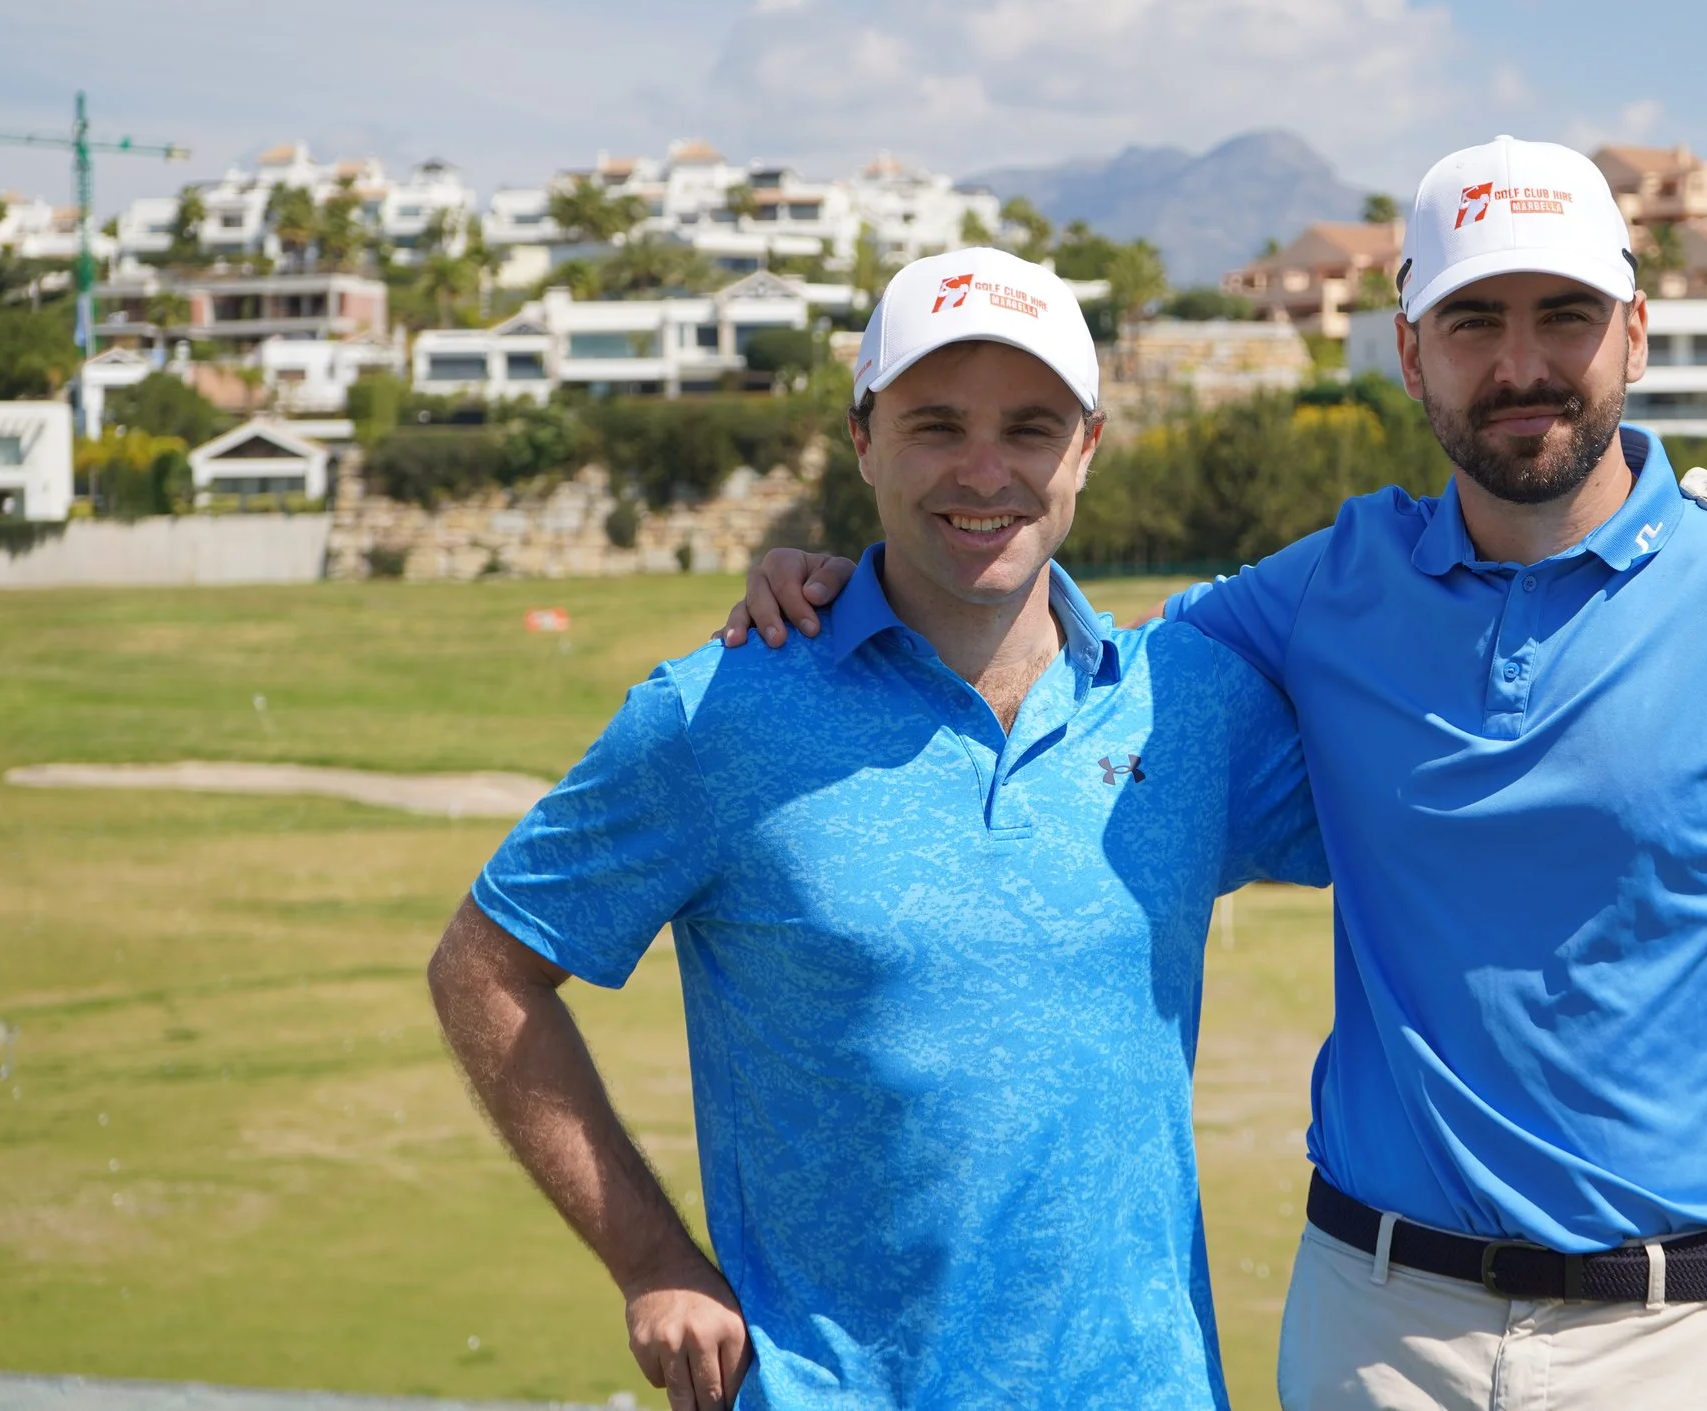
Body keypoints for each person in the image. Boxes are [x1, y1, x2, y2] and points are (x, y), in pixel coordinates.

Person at [724, 139, 1707, 1410]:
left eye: (1566, 315)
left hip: (1673, 1335)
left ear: (1638, 334)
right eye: (1477, 322)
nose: (1523, 362)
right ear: (1413, 355)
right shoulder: (1326, 587)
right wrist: (857, 585)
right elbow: (1067, 667)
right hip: (1374, 1328)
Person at [428, 245, 1331, 1411]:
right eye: (936, 425)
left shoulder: (1186, 703)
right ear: (862, 438)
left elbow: (1435, 786)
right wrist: (651, 1261)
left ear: (1089, 448)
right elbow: (484, 968)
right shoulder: (721, 710)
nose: (984, 470)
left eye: (1030, 428)